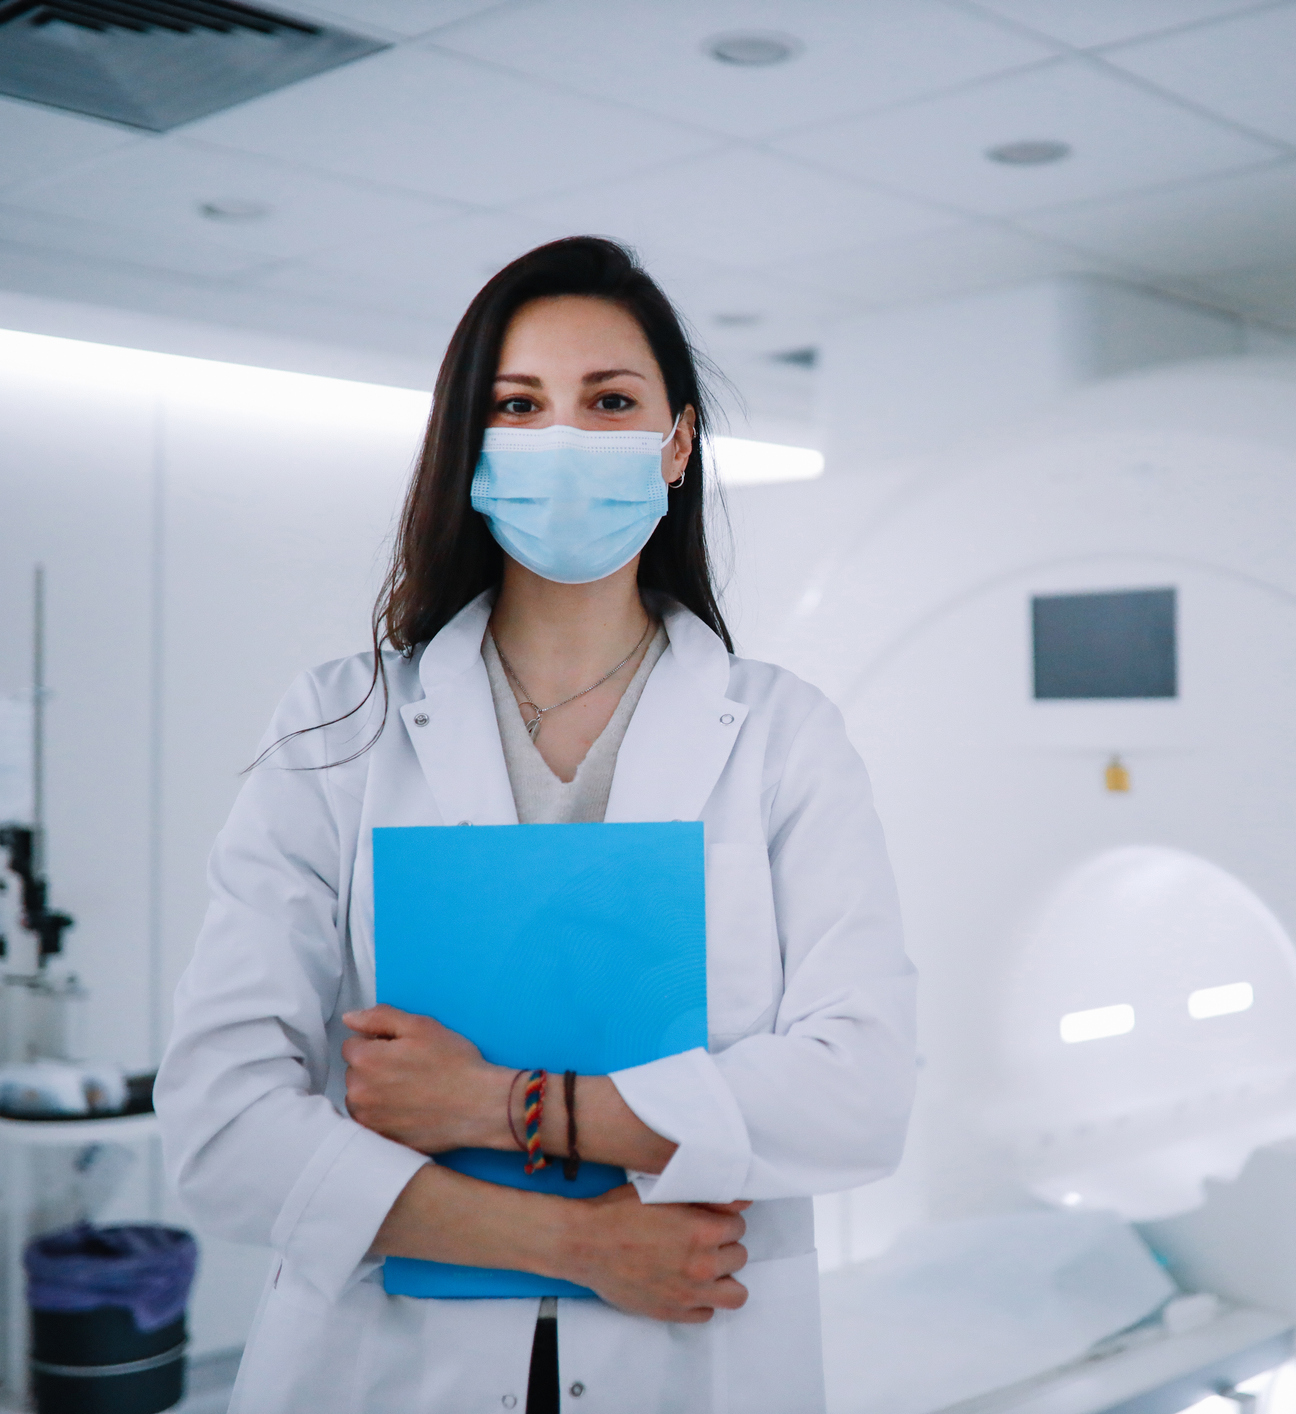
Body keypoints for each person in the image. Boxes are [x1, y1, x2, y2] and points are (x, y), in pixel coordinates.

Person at [155, 236, 917, 1413]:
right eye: (520, 406)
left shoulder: (782, 736)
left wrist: (487, 1102)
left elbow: (858, 1093)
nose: (564, 439)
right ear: (472, 449)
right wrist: (572, 1242)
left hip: (697, 1357)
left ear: (676, 444)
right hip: (383, 1363)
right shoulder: (338, 727)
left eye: (609, 402)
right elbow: (222, 1123)